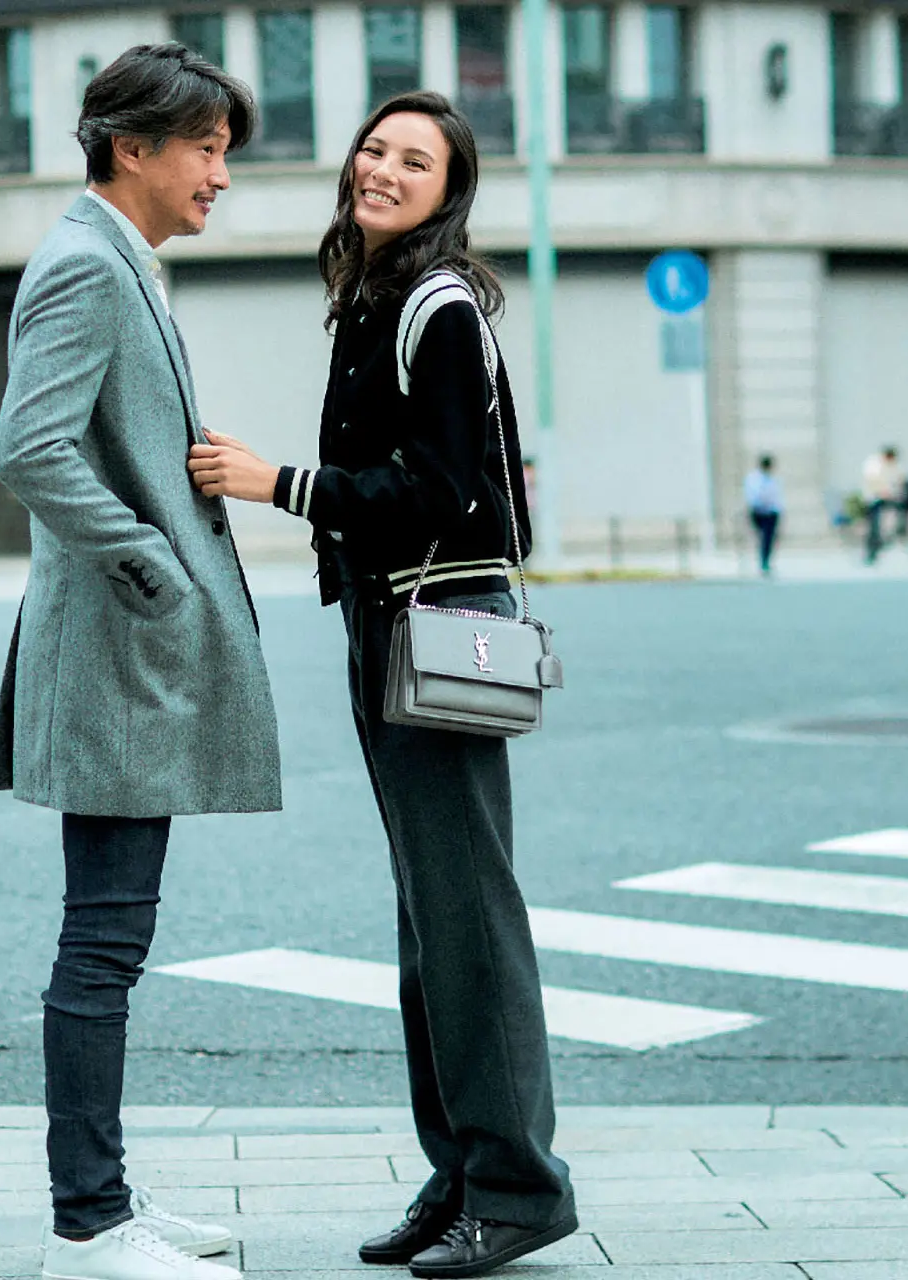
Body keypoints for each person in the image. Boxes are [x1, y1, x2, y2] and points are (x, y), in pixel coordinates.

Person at [187, 91, 577, 1279]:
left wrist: (281, 484)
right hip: (391, 623)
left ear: (445, 190)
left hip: (440, 624)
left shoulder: (437, 305)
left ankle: (516, 1184)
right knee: (430, 914)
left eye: (415, 160)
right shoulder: (376, 296)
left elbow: (445, 486)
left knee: (466, 911)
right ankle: (461, 1169)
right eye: (375, 148)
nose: (383, 168)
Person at [0, 44, 281, 1280]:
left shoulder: (117, 259)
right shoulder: (86, 266)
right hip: (118, 652)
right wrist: (152, 562)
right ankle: (89, 1222)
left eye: (223, 149)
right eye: (205, 147)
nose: (220, 172)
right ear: (131, 147)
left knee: (111, 933)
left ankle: (101, 1196)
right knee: (102, 941)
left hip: (125, 656)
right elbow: (28, 448)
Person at [862, 445, 905, 564]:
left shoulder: (893, 465)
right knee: (874, 526)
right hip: (873, 499)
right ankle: (871, 552)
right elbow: (872, 480)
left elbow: (899, 478)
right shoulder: (874, 464)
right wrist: (882, 491)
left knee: (895, 516)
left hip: (888, 498)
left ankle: (894, 534)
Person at [743, 454, 783, 575]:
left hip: (771, 512)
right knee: (762, 538)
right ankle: (763, 561)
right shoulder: (753, 478)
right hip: (758, 511)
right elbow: (752, 496)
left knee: (768, 538)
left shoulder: (773, 479)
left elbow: (777, 497)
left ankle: (765, 562)